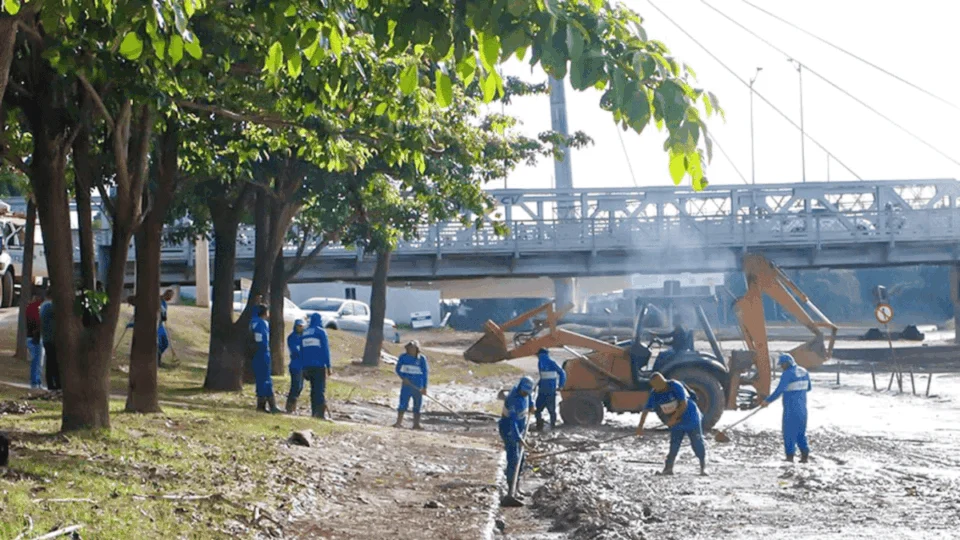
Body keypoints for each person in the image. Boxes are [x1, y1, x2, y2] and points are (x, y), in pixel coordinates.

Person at [636, 372, 707, 476]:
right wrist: (640, 426)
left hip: (691, 417)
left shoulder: (675, 386)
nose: (656, 388)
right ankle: (668, 468)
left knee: (697, 442)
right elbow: (646, 410)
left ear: (663, 382)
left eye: (658, 385)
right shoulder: (655, 393)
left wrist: (673, 418)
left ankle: (703, 468)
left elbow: (684, 404)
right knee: (674, 444)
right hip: (676, 421)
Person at [761, 353, 812, 463]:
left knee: (789, 433)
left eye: (782, 365)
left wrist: (767, 401)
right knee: (801, 433)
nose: (782, 367)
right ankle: (804, 456)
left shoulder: (787, 374)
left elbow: (779, 391)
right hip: (803, 409)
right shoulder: (804, 371)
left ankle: (789, 458)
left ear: (787, 363)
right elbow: (808, 388)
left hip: (790, 409)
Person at [499, 376, 535, 496]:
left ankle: (517, 486)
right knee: (514, 458)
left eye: (527, 392)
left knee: (521, 458)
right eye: (524, 391)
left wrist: (531, 405)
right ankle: (510, 489)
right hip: (508, 429)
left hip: (520, 428)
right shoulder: (513, 399)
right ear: (520, 387)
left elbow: (530, 398)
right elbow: (512, 422)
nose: (525, 394)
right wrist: (518, 438)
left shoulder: (526, 394)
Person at [299, 313, 332, 419]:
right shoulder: (320, 332)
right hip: (319, 366)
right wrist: (329, 366)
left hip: (307, 366)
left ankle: (314, 412)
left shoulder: (305, 333)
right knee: (320, 390)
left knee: (313, 390)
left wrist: (303, 367)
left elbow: (302, 350)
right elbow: (325, 350)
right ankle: (320, 414)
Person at [393, 340, 429, 430]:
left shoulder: (421, 359)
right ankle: (398, 422)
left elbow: (425, 373)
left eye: (413, 348)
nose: (411, 350)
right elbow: (398, 369)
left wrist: (424, 387)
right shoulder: (403, 357)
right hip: (407, 385)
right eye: (409, 348)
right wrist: (403, 378)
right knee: (403, 403)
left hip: (418, 386)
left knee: (417, 405)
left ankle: (416, 424)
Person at [250, 304, 278, 413]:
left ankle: (261, 404)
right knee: (266, 379)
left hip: (254, 354)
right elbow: (263, 340)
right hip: (263, 353)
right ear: (264, 313)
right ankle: (271, 405)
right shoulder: (262, 323)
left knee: (259, 379)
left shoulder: (252, 322)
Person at [534, 348, 566, 431]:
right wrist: (561, 385)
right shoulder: (550, 362)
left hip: (544, 391)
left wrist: (561, 385)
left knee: (538, 410)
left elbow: (561, 373)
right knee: (551, 410)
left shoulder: (542, 362)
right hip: (549, 391)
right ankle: (552, 426)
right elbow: (561, 373)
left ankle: (539, 425)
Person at [39, 294, 60, 391]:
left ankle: (51, 384)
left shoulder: (43, 306)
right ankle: (54, 384)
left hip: (46, 338)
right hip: (52, 339)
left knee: (50, 362)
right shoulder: (50, 306)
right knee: (54, 362)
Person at [25, 289, 45, 389]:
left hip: (30, 337)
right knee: (37, 362)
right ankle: (36, 382)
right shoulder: (37, 307)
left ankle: (36, 381)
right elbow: (37, 322)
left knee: (36, 361)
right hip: (36, 337)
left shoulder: (30, 307)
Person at [285, 319, 306, 413]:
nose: (300, 328)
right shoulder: (292, 337)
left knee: (300, 386)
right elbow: (295, 350)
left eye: (302, 326)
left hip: (303, 365)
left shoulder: (304, 337)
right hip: (295, 365)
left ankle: (294, 405)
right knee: (296, 385)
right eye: (298, 326)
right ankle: (289, 406)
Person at [157, 290, 174, 366]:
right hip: (156, 325)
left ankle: (157, 357)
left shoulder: (164, 303)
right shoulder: (158, 300)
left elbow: (164, 312)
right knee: (159, 343)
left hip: (161, 325)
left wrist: (164, 316)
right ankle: (157, 360)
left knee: (165, 343)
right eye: (170, 297)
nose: (170, 299)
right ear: (167, 295)